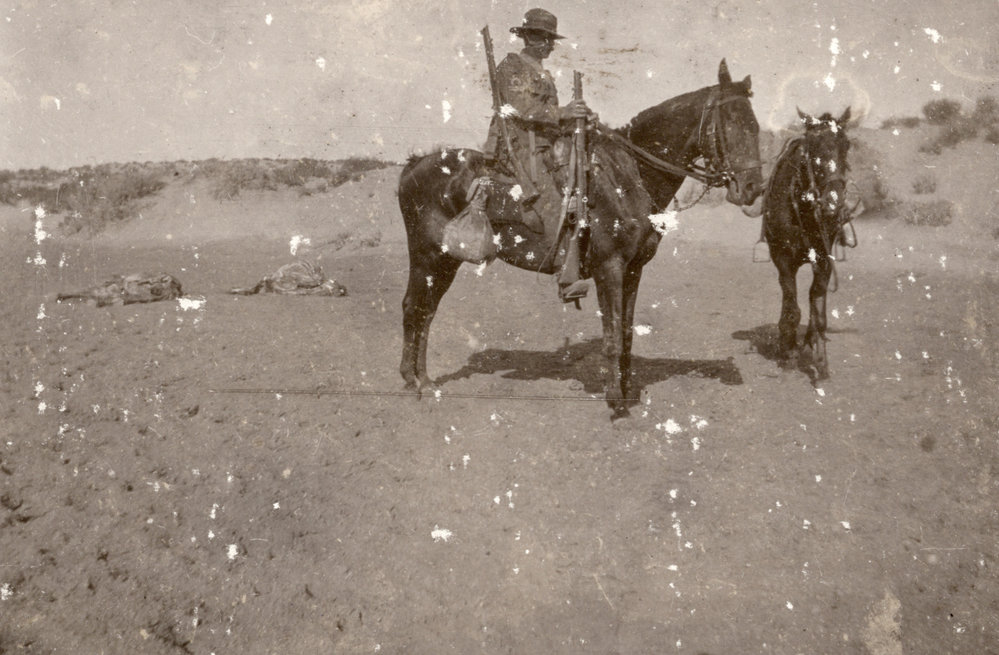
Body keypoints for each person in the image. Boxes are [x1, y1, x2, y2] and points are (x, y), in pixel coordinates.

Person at [464, 8, 596, 302]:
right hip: (519, 146)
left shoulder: (543, 72)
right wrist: (562, 112)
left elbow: (551, 117)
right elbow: (522, 108)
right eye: (542, 38)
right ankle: (566, 276)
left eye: (550, 39)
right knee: (552, 201)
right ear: (527, 37)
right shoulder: (511, 67)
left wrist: (579, 116)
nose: (548, 44)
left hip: (545, 146)